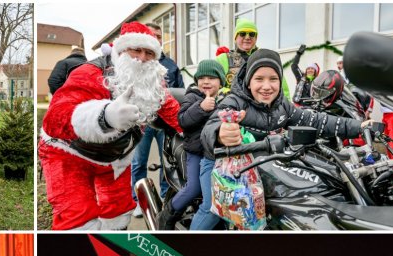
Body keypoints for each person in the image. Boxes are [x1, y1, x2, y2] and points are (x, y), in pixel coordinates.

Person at [200, 49, 375, 229]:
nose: (267, 86)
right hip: (222, 166)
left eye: (273, 79)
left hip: (265, 170)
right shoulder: (235, 102)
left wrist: (359, 127)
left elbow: (316, 120)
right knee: (211, 210)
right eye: (259, 79)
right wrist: (220, 133)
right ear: (248, 81)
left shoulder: (283, 106)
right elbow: (209, 128)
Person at [40, 22, 182, 230]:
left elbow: (173, 112)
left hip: (115, 156)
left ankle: (115, 253)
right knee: (77, 218)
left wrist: (209, 132)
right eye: (136, 50)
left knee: (118, 212)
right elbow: (55, 119)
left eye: (149, 53)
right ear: (122, 50)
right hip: (69, 154)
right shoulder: (89, 73)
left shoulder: (153, 82)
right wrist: (105, 117)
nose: (142, 58)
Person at [158, 59, 224, 229]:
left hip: (219, 154)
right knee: (194, 188)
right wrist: (201, 107)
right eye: (202, 78)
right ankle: (167, 215)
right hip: (196, 151)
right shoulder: (192, 96)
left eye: (212, 78)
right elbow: (183, 120)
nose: (206, 81)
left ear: (221, 81)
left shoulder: (225, 99)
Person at [130, 22, 185, 216]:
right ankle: (139, 200)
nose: (156, 38)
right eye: (151, 34)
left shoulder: (170, 64)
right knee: (139, 161)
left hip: (166, 124)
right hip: (143, 123)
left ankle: (165, 194)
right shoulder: (136, 60)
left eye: (159, 36)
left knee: (168, 161)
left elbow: (180, 91)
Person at [216, 19, 291, 97]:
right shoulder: (223, 59)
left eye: (252, 34)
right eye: (242, 34)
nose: (247, 37)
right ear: (235, 37)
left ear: (256, 38)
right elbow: (213, 86)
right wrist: (230, 93)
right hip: (232, 106)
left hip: (262, 107)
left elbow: (282, 88)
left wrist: (286, 107)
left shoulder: (266, 57)